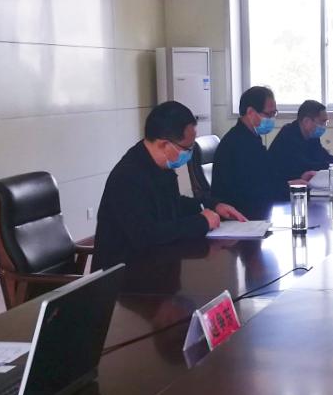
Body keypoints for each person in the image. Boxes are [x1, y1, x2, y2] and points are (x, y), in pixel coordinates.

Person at [95, 101, 247, 270]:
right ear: (164, 144)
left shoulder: (162, 166)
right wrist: (201, 222)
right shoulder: (128, 176)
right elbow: (146, 235)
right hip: (125, 275)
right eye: (187, 148)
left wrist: (213, 205)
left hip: (159, 265)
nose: (190, 154)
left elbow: (173, 203)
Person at [211, 86, 314, 218]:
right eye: (268, 114)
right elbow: (254, 189)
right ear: (250, 112)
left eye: (274, 113)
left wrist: (295, 180)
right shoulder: (237, 143)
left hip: (256, 208)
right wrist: (288, 187)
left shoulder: (251, 138)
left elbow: (266, 176)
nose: (272, 119)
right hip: (240, 214)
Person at [268, 99, 333, 181]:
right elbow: (307, 165)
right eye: (322, 122)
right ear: (306, 121)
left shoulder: (311, 136)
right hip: (281, 187)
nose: (324, 126)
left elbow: (323, 156)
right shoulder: (289, 135)